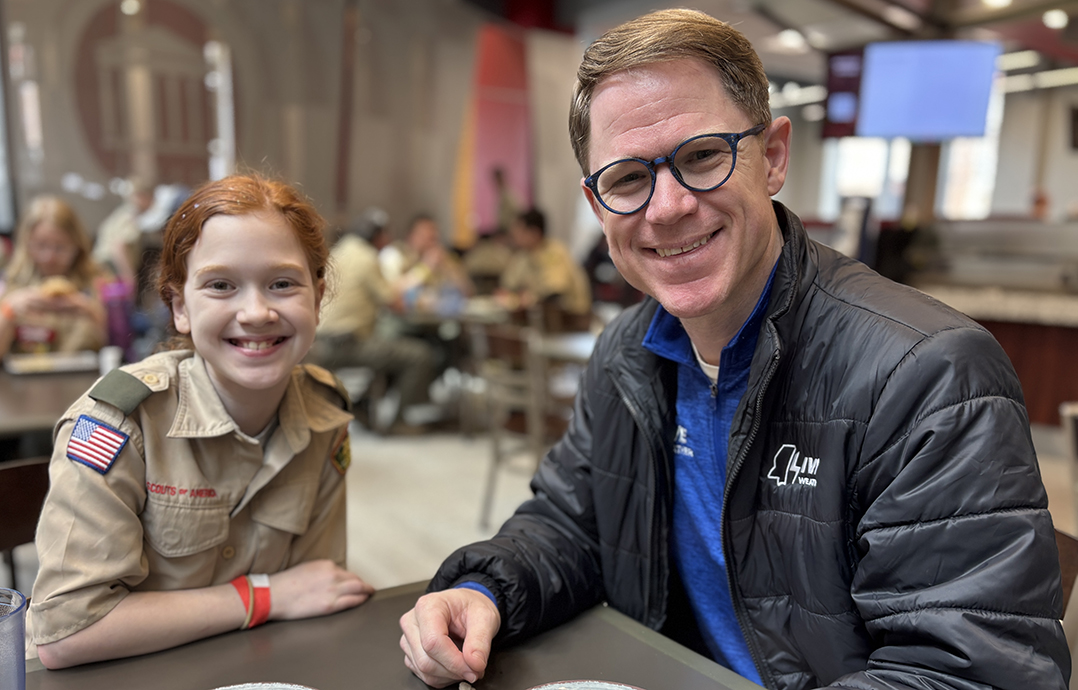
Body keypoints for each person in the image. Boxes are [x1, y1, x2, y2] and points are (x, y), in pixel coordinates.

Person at [399, 9, 1068, 690]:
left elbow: (971, 671)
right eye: (628, 179)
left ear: (772, 157)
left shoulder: (927, 375)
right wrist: (485, 588)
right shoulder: (629, 353)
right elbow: (574, 525)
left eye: (701, 157)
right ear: (597, 206)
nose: (665, 208)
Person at [29, 174, 375, 669]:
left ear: (317, 300)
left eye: (282, 284)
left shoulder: (325, 413)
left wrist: (288, 599)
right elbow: (66, 632)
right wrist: (264, 596)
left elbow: (318, 587)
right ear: (179, 306)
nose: (256, 312)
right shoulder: (117, 422)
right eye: (220, 285)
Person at [310, 208, 435, 435]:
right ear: (378, 236)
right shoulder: (368, 258)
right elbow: (394, 303)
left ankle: (362, 405)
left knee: (391, 348)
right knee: (418, 355)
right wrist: (424, 272)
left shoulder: (338, 252)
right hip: (347, 344)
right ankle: (397, 422)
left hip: (318, 342)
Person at [0, 196, 107, 369]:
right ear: (26, 245)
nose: (49, 258)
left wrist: (91, 312)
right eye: (41, 246)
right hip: (23, 390)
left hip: (86, 388)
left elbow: (123, 353)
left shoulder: (98, 282)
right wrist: (8, 311)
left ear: (77, 245)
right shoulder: (10, 284)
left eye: (60, 247)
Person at [497, 207, 592, 325]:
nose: (514, 235)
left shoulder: (554, 252)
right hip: (542, 319)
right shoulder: (523, 256)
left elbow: (554, 293)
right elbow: (508, 286)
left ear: (534, 233)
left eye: (519, 231)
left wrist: (528, 298)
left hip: (571, 321)